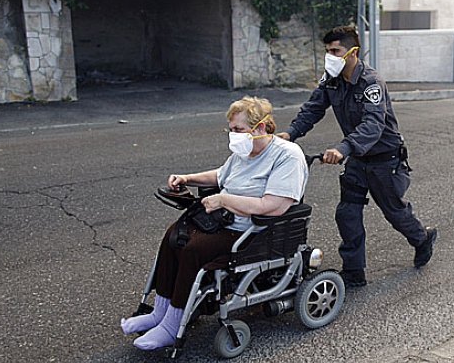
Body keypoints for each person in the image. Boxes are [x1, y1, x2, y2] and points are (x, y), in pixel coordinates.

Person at [120, 96, 308, 351]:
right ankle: (160, 312)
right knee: (174, 236)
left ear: (261, 128)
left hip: (254, 232)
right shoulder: (245, 152)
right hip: (224, 221)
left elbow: (273, 206)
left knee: (193, 250)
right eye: (231, 130)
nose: (234, 136)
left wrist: (223, 200)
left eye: (239, 130)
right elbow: (220, 175)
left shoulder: (287, 156)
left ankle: (172, 324)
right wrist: (187, 178)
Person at [276, 25, 437, 288]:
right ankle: (353, 270)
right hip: (358, 160)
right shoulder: (331, 79)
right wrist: (291, 133)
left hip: (385, 161)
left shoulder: (372, 83)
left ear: (352, 52)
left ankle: (422, 238)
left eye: (335, 51)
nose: (330, 56)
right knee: (347, 213)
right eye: (327, 51)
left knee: (394, 212)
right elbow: (313, 108)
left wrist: (343, 148)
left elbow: (372, 125)